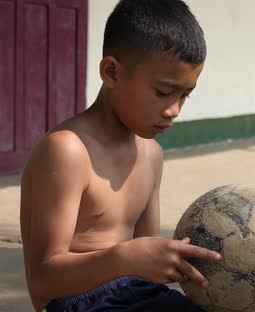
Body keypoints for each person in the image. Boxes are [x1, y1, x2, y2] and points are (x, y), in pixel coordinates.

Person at [19, 0, 220, 311]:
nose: (174, 110)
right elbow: (42, 282)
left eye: (185, 95)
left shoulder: (152, 155)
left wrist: (175, 262)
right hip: (77, 303)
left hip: (137, 296)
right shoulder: (68, 151)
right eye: (164, 92)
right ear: (111, 72)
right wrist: (124, 258)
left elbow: (147, 271)